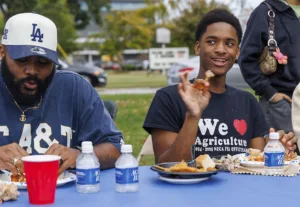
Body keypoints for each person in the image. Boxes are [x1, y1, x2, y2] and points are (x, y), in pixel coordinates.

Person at [143, 9, 297, 163]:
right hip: (190, 187)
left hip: (239, 187)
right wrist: (193, 116)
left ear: (237, 52)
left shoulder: (247, 101)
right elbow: (167, 166)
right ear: (197, 47)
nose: (221, 50)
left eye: (229, 44)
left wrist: (277, 150)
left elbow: (257, 162)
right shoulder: (169, 98)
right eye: (211, 41)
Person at [0, 13, 124, 175]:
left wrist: (80, 156)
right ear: (2, 52)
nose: (32, 71)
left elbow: (116, 149)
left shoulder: (73, 87)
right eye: (22, 60)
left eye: (43, 62)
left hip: (64, 196)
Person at [238, 0, 300, 134]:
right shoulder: (264, 12)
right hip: (283, 106)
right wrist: (270, 93)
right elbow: (246, 59)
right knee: (285, 154)